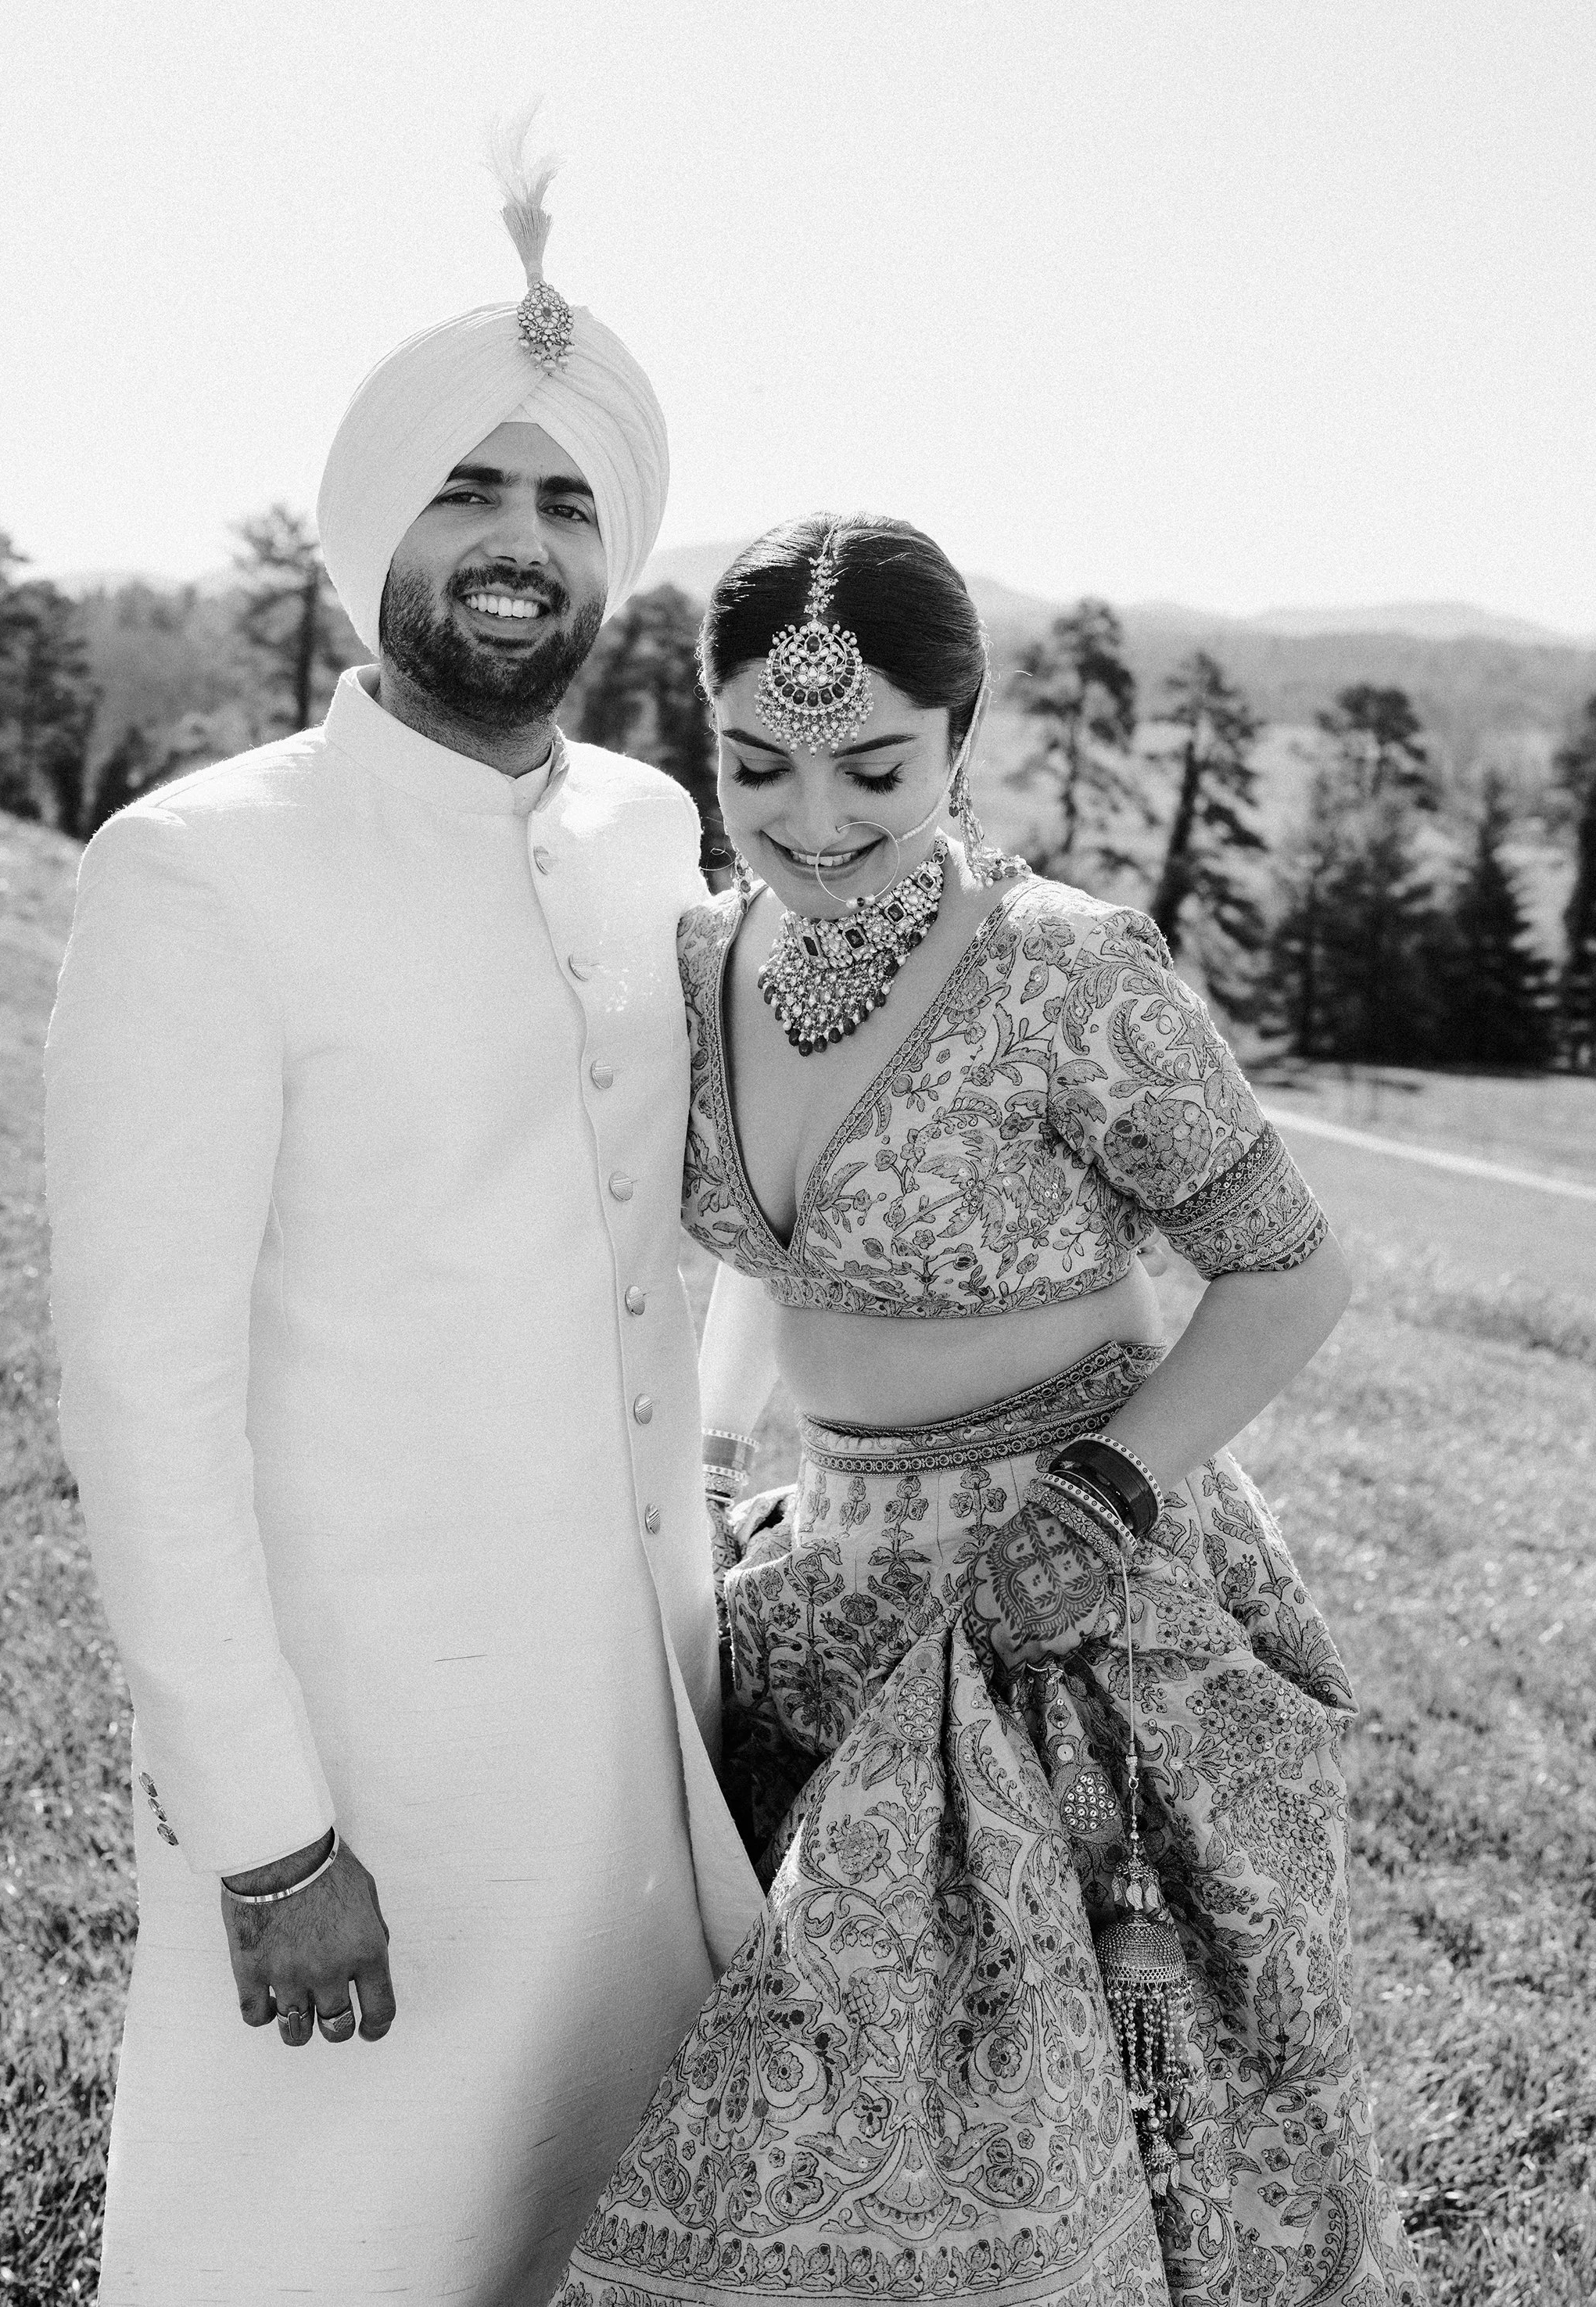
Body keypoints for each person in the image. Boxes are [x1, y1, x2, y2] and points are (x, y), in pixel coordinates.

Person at [551, 516, 1422, 2305]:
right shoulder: (703, 961)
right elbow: (744, 1270)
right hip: (827, 1579)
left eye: (870, 765)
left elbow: (1286, 1273)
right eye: (754, 763)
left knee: (1066, 2135)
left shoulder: (1068, 971)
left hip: (1066, 1596)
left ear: (964, 735)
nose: (806, 818)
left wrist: (1099, 1498)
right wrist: (708, 1478)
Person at [45, 147, 763, 2307]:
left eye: (564, 505)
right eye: (470, 490)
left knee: (578, 2226)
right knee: (309, 2246)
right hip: (363, 1774)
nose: (519, 545)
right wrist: (267, 1827)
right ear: (379, 533)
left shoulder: (654, 826)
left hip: (634, 1735)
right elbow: (143, 1401)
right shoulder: (201, 873)